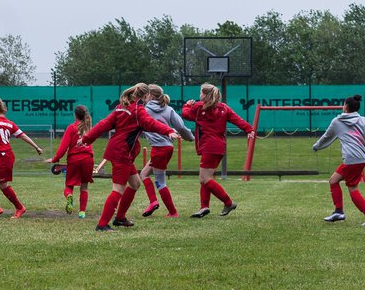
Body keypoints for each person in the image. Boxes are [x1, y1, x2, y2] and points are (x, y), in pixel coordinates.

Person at [80, 83, 178, 231]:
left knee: (135, 183)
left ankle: (120, 218)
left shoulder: (121, 107)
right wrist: (168, 130)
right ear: (145, 96)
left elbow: (103, 124)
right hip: (122, 153)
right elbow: (152, 124)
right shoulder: (138, 111)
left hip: (119, 151)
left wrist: (87, 139)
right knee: (118, 189)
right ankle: (102, 224)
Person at [311, 94, 365, 226]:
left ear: (345, 106)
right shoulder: (363, 120)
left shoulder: (337, 122)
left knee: (351, 188)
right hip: (361, 159)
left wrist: (316, 146)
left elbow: (326, 137)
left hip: (351, 159)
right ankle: (340, 211)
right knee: (334, 181)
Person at [181, 83, 256, 218]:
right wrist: (249, 129)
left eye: (201, 93)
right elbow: (237, 119)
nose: (199, 95)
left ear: (205, 95)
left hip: (208, 146)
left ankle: (228, 202)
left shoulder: (199, 107)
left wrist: (187, 105)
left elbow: (185, 115)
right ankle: (204, 207)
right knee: (206, 178)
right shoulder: (223, 108)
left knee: (204, 178)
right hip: (219, 146)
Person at [140, 85, 195, 218]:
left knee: (160, 182)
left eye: (145, 94)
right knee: (144, 174)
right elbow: (180, 126)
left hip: (158, 149)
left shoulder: (144, 110)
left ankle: (171, 211)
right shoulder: (168, 109)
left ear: (151, 96)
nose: (143, 97)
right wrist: (190, 137)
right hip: (167, 147)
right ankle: (155, 203)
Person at [46, 104, 97, 219]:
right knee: (84, 187)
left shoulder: (71, 127)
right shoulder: (89, 128)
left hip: (74, 160)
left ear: (75, 115)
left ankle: (69, 196)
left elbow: (63, 148)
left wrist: (55, 159)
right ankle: (82, 213)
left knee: (69, 185)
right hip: (88, 159)